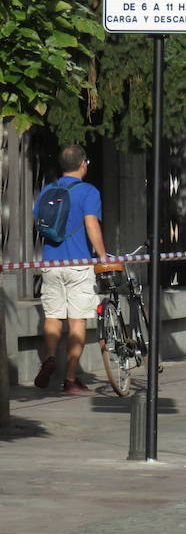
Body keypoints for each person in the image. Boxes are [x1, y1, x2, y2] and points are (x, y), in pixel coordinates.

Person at [32, 144, 107, 393]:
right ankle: (71, 379)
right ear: (83, 164)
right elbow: (90, 224)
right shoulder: (88, 191)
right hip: (78, 264)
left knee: (53, 316)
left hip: (51, 263)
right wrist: (102, 255)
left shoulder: (47, 190)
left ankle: (50, 358)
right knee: (77, 322)